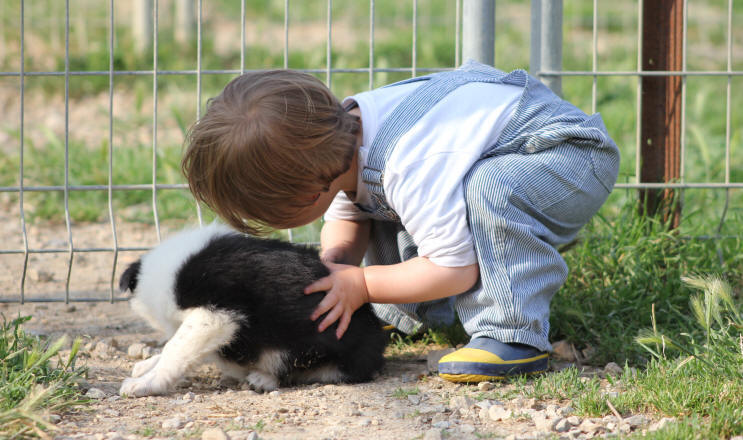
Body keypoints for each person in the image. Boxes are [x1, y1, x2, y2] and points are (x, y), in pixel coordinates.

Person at [181, 60, 620, 382]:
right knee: (388, 205)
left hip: (567, 156)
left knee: (490, 189)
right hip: (503, 146)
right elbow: (349, 208)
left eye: (271, 216)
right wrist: (336, 266)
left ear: (307, 191)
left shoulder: (409, 163)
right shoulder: (339, 142)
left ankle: (513, 334)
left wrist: (364, 285)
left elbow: (454, 267)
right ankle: (403, 308)